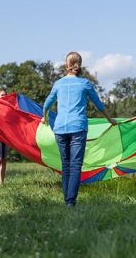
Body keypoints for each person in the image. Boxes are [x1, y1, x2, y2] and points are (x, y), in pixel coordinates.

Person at [42, 52, 117, 207]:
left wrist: (45, 117)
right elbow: (99, 104)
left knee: (66, 165)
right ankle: (70, 202)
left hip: (60, 129)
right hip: (78, 127)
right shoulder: (85, 84)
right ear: (79, 64)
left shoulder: (58, 84)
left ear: (66, 65)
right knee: (75, 165)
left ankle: (67, 200)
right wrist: (110, 119)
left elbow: (46, 105)